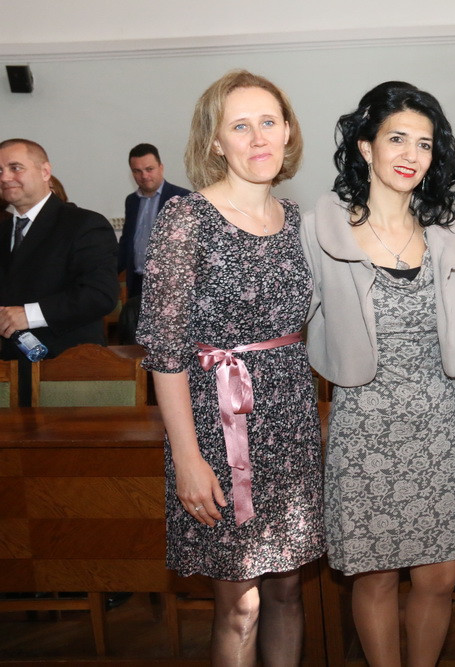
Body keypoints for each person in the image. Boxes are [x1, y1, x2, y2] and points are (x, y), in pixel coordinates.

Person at [135, 70, 323, 666]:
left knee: (288, 592)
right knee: (239, 606)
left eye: (269, 122)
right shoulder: (186, 219)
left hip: (290, 428)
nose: (258, 137)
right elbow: (165, 352)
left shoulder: (295, 218)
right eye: (240, 126)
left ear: (288, 131)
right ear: (216, 142)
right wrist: (188, 460)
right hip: (217, 430)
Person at [301, 81, 455, 666]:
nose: (411, 155)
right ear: (365, 146)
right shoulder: (321, 230)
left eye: (424, 145)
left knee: (439, 577)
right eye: (397, 139)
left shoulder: (448, 233)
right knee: (374, 576)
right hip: (364, 426)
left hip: (441, 425)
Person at [0, 138, 119, 405]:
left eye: (15, 167)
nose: (5, 177)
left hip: (67, 372)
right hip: (9, 374)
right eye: (0, 170)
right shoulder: (3, 231)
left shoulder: (84, 224)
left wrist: (28, 315)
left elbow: (100, 295)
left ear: (45, 172)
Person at [120, 143, 190, 299]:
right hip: (137, 283)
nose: (144, 176)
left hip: (170, 286)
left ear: (161, 167)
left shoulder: (181, 198)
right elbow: (126, 242)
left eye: (149, 169)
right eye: (137, 171)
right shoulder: (131, 201)